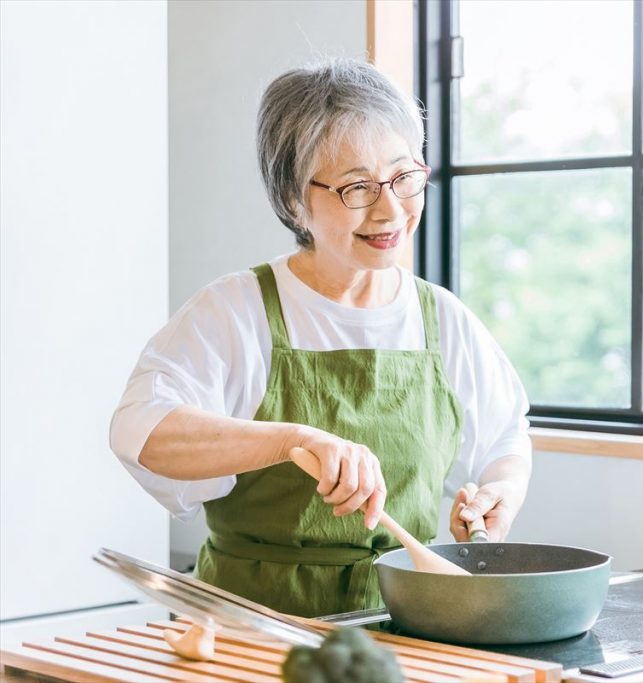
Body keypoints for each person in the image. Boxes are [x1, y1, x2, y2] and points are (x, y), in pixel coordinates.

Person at [110, 58, 532, 618]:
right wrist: (292, 440)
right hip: (251, 630)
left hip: (403, 622)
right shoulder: (237, 311)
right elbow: (141, 431)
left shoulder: (444, 321)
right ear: (293, 201)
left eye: (404, 177)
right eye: (356, 187)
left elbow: (505, 438)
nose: (389, 210)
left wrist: (499, 492)